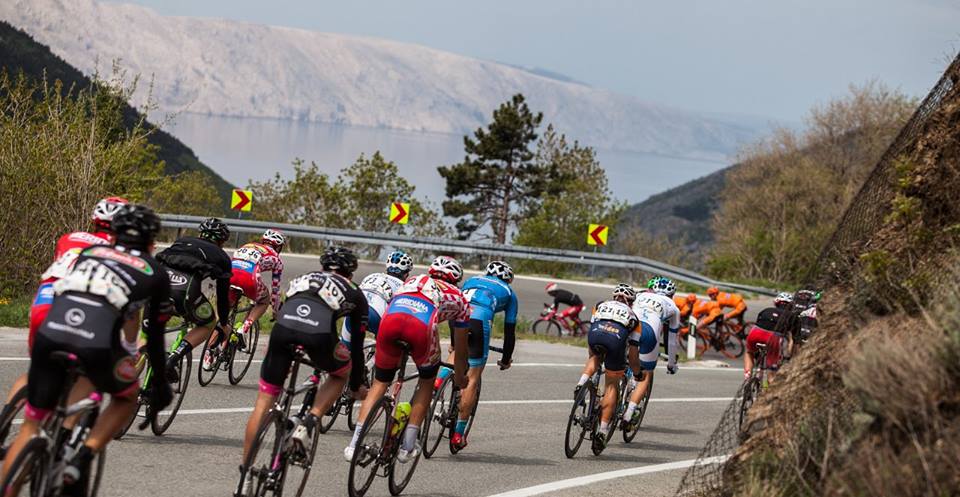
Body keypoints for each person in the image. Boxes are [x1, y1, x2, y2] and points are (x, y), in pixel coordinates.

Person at [2, 205, 172, 495]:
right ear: (151, 243)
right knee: (127, 396)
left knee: (32, 424)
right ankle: (84, 454)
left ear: (113, 234)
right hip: (96, 343)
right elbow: (153, 335)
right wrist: (160, 383)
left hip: (51, 330)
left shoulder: (87, 253)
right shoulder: (155, 272)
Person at [238, 247, 368, 497]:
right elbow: (358, 347)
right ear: (350, 272)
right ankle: (310, 420)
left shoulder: (304, 278)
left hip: (282, 331)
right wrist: (355, 385)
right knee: (342, 370)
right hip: (319, 336)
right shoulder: (355, 292)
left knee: (263, 404)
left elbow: (288, 311)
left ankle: (245, 477)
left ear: (322, 266)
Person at [344, 256, 471, 464]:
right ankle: (408, 446)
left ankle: (354, 445)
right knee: (426, 381)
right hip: (421, 327)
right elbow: (461, 346)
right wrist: (459, 377)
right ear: (456, 280)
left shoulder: (412, 280)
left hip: (391, 320)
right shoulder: (460, 298)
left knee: (380, 382)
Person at [4, 197, 127, 410]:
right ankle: (58, 431)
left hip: (44, 303)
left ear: (94, 220)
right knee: (84, 378)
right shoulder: (120, 254)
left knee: (38, 371)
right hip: (81, 311)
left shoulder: (68, 238)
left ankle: (5, 418)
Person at [437, 260, 518, 450]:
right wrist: (506, 359)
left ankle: (437, 383)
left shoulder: (471, 280)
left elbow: (456, 306)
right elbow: (509, 331)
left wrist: (454, 343)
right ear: (508, 278)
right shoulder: (509, 292)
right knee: (472, 377)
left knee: (457, 352)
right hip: (480, 321)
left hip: (459, 316)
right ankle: (458, 435)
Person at [155, 218, 234, 377]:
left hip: (156, 285)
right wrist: (224, 323)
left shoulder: (182, 241)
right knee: (208, 323)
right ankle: (173, 359)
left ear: (200, 233)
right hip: (184, 291)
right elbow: (222, 296)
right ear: (221, 241)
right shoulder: (222, 256)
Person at [576, 284, 639, 447]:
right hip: (615, 341)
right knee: (611, 385)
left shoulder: (600, 305)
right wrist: (637, 371)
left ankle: (582, 382)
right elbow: (632, 352)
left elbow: (593, 328)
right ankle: (602, 432)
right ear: (630, 302)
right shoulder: (634, 317)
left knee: (594, 357)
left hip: (595, 334)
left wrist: (593, 356)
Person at [625, 277, 681, 426]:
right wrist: (671, 364)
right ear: (672, 294)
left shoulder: (641, 294)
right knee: (646, 375)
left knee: (617, 365)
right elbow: (672, 340)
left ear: (652, 289)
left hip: (629, 326)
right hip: (649, 332)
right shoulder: (674, 308)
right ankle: (629, 413)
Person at [340, 250, 414, 348]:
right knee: (388, 355)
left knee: (343, 353)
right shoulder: (404, 286)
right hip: (377, 315)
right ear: (406, 274)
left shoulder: (372, 276)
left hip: (354, 312)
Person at [228, 229, 285, 348]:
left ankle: (209, 354)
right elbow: (275, 289)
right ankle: (244, 328)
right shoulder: (277, 259)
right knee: (264, 300)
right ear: (278, 247)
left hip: (230, 275)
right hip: (249, 279)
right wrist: (275, 311)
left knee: (225, 316)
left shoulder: (247, 245)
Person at [743, 292, 792, 380]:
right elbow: (791, 338)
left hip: (755, 333)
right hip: (773, 338)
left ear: (776, 303)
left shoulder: (766, 310)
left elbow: (758, 323)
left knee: (749, 352)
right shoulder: (791, 316)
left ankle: (747, 374)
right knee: (771, 370)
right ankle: (770, 385)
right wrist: (789, 354)